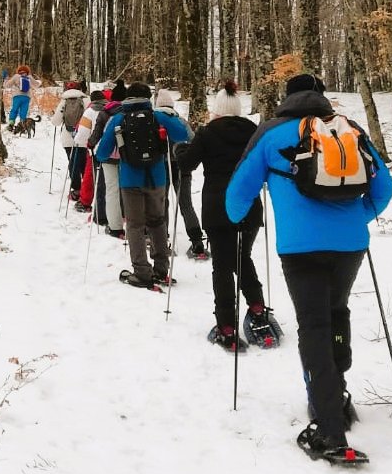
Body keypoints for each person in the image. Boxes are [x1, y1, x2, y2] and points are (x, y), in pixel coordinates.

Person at [225, 73, 392, 458]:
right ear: (321, 98)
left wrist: (236, 220)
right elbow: (384, 187)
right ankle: (338, 392)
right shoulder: (348, 129)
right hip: (350, 244)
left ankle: (328, 425)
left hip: (300, 247)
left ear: (288, 98)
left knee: (314, 325)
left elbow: (239, 191)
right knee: (336, 313)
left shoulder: (271, 134)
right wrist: (360, 217)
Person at [175, 80, 266, 351]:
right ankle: (257, 307)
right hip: (249, 204)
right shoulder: (253, 130)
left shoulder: (207, 132)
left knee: (223, 267)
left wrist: (180, 149)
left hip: (218, 206)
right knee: (243, 258)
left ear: (217, 108)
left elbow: (186, 164)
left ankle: (226, 325)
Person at [95, 82, 190, 288]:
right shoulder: (158, 116)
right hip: (157, 178)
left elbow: (102, 153)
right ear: (148, 97)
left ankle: (142, 272)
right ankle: (161, 269)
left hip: (130, 180)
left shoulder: (119, 118)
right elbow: (184, 135)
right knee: (157, 222)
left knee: (135, 225)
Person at [155, 89, 207, 259]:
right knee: (186, 204)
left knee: (162, 202)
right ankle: (197, 242)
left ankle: (162, 241)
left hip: (161, 165)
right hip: (182, 166)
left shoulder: (154, 120)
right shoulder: (180, 121)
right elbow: (192, 140)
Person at [89, 89, 126, 238]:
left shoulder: (104, 113)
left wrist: (91, 144)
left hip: (108, 156)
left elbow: (97, 134)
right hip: (125, 156)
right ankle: (126, 217)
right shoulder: (126, 113)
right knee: (125, 189)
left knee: (111, 190)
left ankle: (115, 226)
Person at [50, 84, 89, 201]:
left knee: (73, 162)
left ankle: (76, 189)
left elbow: (56, 122)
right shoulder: (86, 100)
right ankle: (87, 189)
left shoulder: (64, 102)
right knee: (84, 163)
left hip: (68, 139)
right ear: (80, 89)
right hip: (83, 137)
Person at [74, 90, 109, 217]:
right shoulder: (111, 109)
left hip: (94, 148)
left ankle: (85, 202)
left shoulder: (90, 111)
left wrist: (80, 142)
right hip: (112, 149)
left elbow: (82, 133)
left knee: (90, 175)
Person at [3, 65, 42, 131]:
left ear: (19, 71)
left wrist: (6, 79)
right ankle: (22, 126)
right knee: (23, 112)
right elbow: (37, 85)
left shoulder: (16, 76)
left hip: (17, 96)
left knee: (14, 110)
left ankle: (11, 124)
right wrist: (39, 81)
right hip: (27, 97)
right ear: (27, 71)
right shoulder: (29, 77)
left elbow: (6, 85)